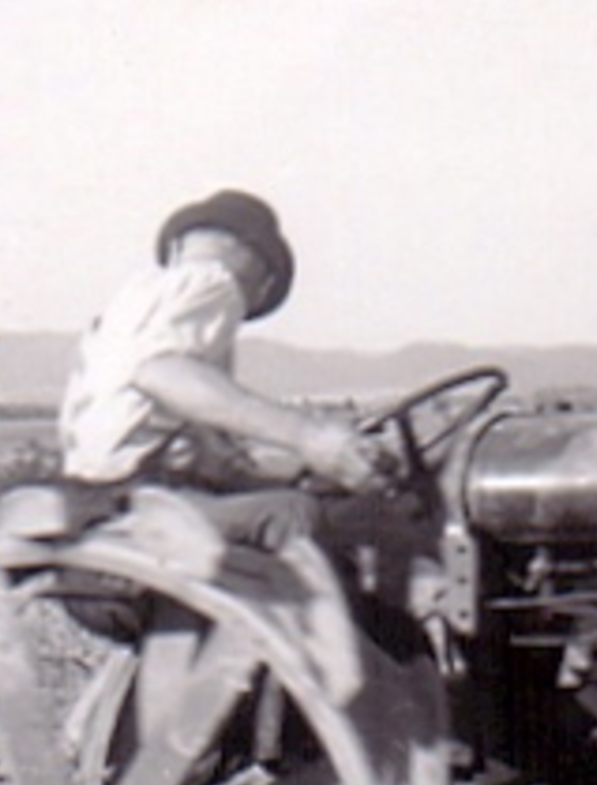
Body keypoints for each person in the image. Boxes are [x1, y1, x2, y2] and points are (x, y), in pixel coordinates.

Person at [59, 188, 398, 551]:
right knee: (294, 513)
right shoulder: (213, 282)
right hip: (145, 497)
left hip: (97, 494)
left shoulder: (136, 299)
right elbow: (160, 371)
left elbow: (180, 428)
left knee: (285, 497)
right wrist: (308, 435)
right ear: (247, 255)